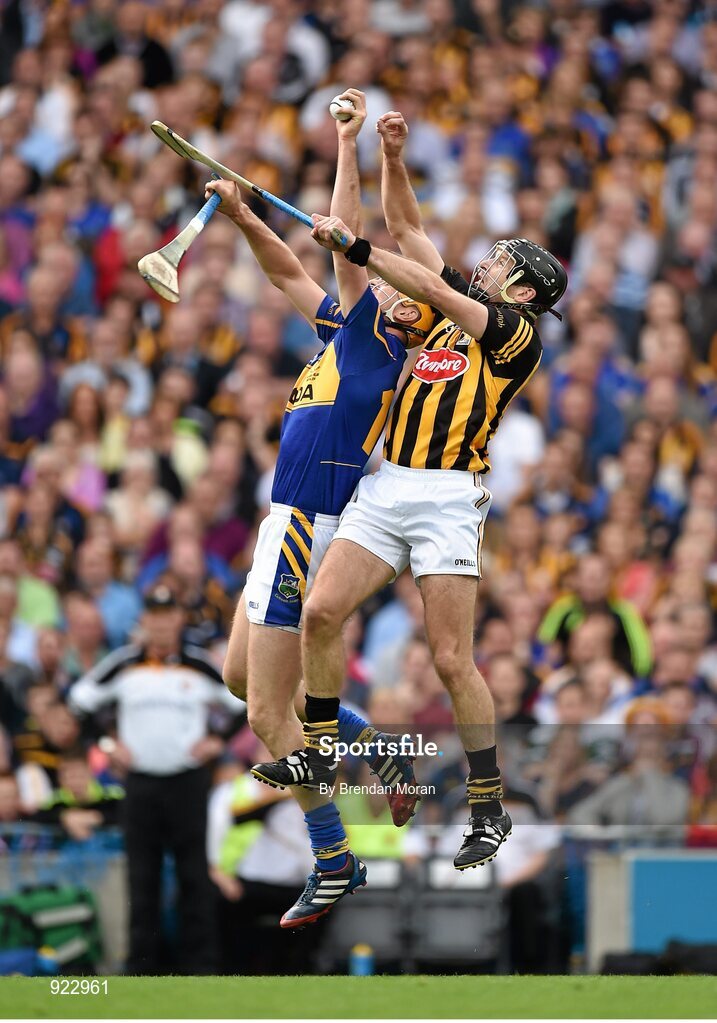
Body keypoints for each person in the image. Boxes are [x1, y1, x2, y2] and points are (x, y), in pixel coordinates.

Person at [255, 107, 567, 874]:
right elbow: (408, 227)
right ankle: (319, 754)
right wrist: (390, 155)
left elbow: (418, 271)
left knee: (451, 657)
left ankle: (486, 805)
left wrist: (354, 249)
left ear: (522, 291)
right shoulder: (439, 314)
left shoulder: (515, 334)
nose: (485, 266)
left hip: (449, 498)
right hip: (388, 484)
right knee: (321, 612)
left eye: (499, 264)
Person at [207, 91, 435, 928]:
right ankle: (376, 749)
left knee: (270, 714)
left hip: (307, 524)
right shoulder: (345, 331)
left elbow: (338, 239)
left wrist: (346, 146)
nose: (392, 287)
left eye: (412, 291)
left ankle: (334, 857)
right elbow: (286, 267)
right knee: (239, 677)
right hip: (287, 523)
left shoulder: (381, 342)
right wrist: (238, 213)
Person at [68, 585, 243, 975]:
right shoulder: (124, 663)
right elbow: (80, 700)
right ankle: (141, 967)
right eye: (154, 616)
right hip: (142, 784)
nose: (162, 624)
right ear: (144, 621)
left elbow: (241, 702)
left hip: (187, 781)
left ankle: (201, 967)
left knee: (194, 874)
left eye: (168, 615)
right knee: (141, 877)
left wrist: (217, 740)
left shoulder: (198, 664)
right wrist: (108, 743)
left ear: (179, 619)